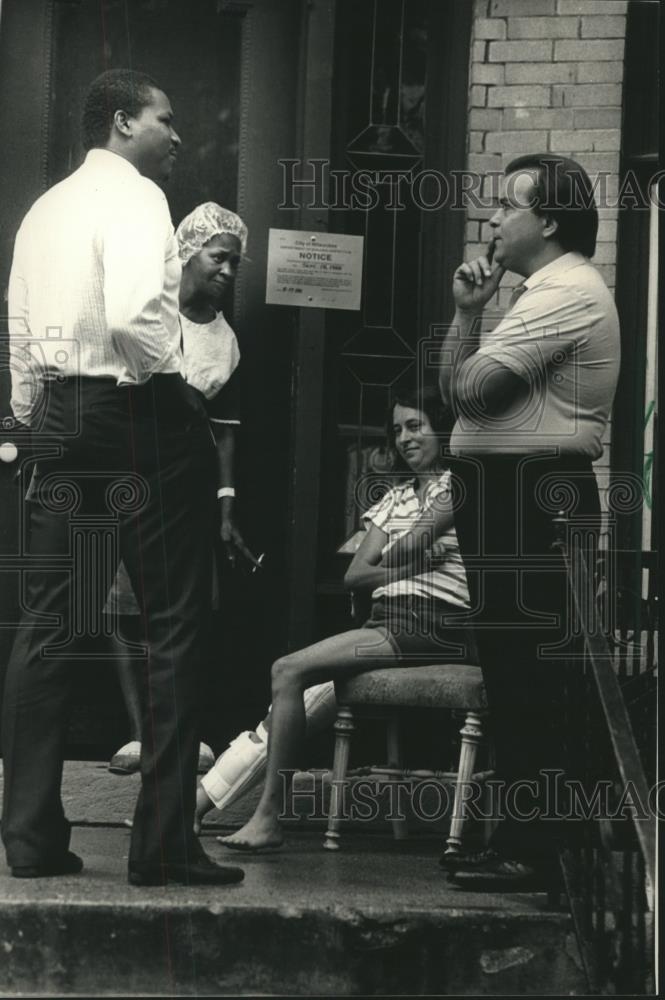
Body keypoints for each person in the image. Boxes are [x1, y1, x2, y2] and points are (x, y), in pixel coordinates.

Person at [2, 69, 243, 887]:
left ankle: (30, 839)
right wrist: (169, 383)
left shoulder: (43, 210)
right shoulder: (137, 197)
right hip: (136, 410)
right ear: (119, 122)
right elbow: (137, 316)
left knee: (48, 626)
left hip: (59, 420)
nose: (177, 135)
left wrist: (26, 425)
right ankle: (164, 842)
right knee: (173, 623)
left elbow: (18, 330)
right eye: (163, 119)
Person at [437, 154, 620, 892]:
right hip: (506, 494)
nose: (490, 219)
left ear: (546, 220)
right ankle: (519, 838)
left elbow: (472, 392)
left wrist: (473, 361)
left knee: (532, 672)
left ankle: (538, 850)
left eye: (505, 206)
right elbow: (458, 394)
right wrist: (465, 316)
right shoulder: (531, 292)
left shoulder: (565, 290)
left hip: (533, 495)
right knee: (511, 672)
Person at [214, 384, 472, 851]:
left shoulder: (459, 484)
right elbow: (355, 574)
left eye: (416, 426)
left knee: (287, 669)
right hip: (387, 621)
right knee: (290, 677)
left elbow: (388, 557)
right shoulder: (394, 499)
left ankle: (269, 818)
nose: (405, 439)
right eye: (397, 430)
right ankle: (235, 806)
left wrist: (392, 560)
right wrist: (412, 563)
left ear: (442, 430)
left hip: (435, 621)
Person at [107, 202, 258, 777]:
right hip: (134, 474)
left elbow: (225, 434)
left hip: (191, 485)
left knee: (186, 611)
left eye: (235, 263)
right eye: (219, 257)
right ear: (188, 254)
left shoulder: (226, 342)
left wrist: (226, 505)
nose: (227, 271)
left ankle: (176, 732)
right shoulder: (150, 315)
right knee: (124, 605)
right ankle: (138, 733)